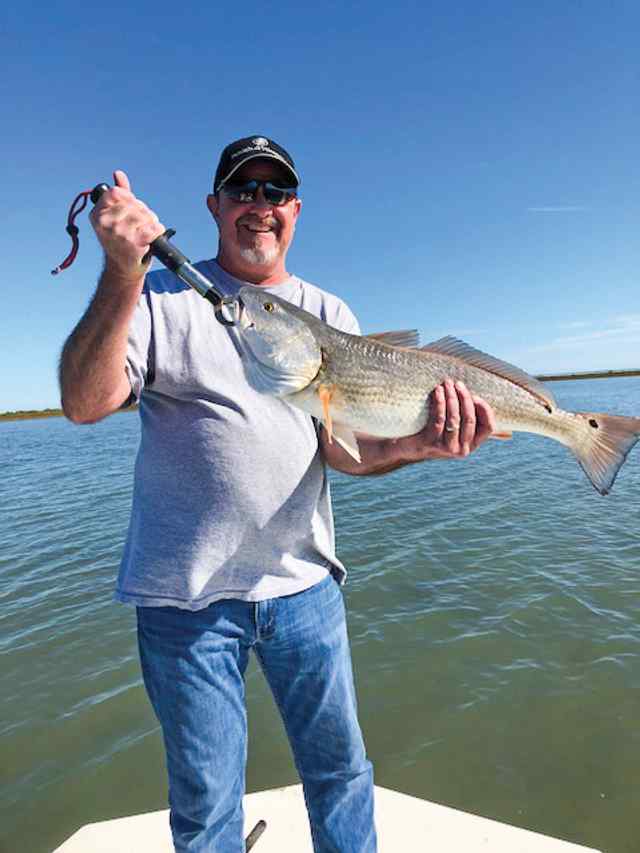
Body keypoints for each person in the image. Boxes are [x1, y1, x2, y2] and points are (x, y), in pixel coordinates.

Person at [59, 135, 496, 852]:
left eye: (275, 192)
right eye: (242, 189)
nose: (259, 205)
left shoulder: (329, 309)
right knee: (206, 805)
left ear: (295, 210)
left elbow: (343, 451)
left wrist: (417, 445)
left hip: (305, 590)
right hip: (185, 602)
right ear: (214, 206)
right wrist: (121, 271)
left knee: (342, 774)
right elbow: (83, 402)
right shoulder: (157, 296)